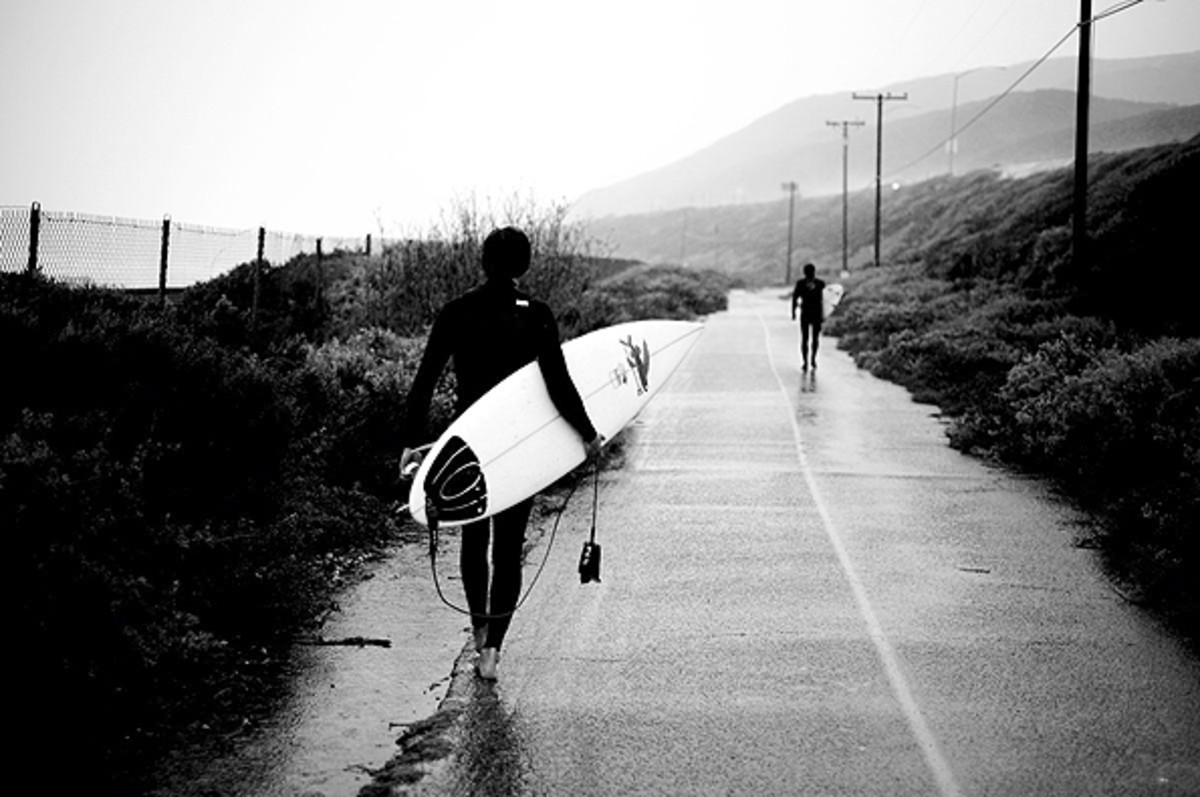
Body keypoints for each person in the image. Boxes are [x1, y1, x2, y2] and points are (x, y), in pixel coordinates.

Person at [399, 226, 602, 681]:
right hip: (517, 446)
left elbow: (424, 382)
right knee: (508, 550)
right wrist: (587, 434)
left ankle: (478, 629)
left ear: (482, 261)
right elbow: (558, 384)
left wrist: (413, 442)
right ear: (525, 265)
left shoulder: (456, 312)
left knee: (475, 540)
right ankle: (492, 652)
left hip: (471, 445)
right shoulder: (538, 315)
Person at [791, 263, 826, 371]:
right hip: (817, 313)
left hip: (805, 313)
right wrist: (825, 314)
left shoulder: (800, 284)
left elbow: (795, 298)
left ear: (804, 272)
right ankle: (812, 360)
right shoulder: (820, 283)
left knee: (805, 338)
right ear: (814, 272)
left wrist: (793, 312)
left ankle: (805, 362)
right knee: (815, 338)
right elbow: (826, 300)